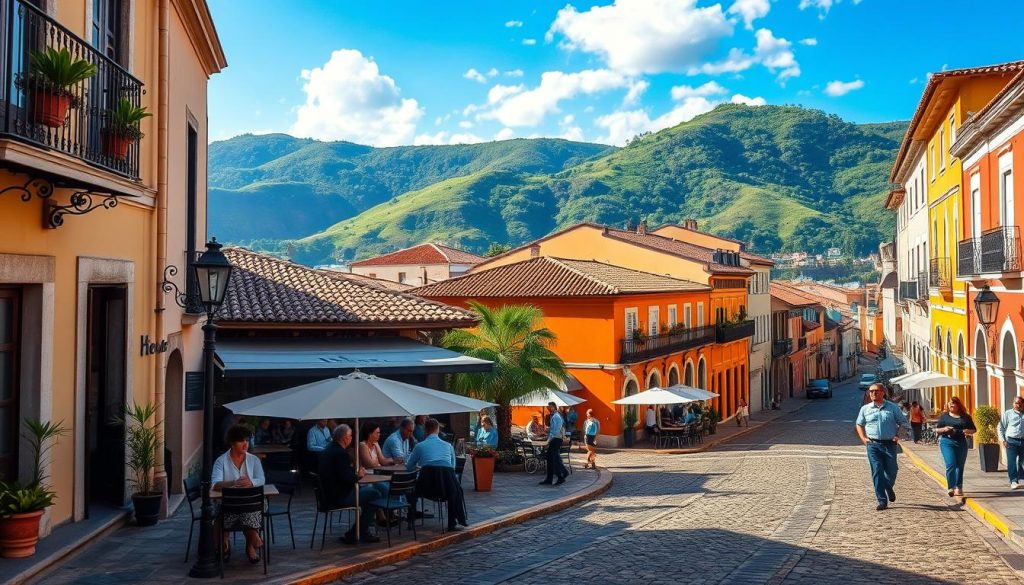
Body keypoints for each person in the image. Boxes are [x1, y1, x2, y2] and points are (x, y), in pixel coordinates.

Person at [211, 424, 266, 563]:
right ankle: (252, 540)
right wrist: (234, 482)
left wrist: (251, 482)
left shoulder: (254, 460)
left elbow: (262, 479)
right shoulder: (221, 461)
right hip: (229, 507)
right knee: (241, 512)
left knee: (249, 509)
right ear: (232, 442)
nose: (245, 444)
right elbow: (215, 485)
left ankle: (227, 544)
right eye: (241, 440)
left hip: (251, 505)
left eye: (247, 440)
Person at [318, 425, 381, 544]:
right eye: (351, 436)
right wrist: (359, 474)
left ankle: (359, 531)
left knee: (368, 492)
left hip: (327, 496)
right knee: (375, 494)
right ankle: (358, 533)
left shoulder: (328, 450)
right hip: (339, 497)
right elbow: (349, 479)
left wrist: (353, 473)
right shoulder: (340, 454)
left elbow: (341, 473)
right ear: (344, 438)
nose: (352, 438)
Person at [405, 418, 467, 531]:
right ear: (438, 430)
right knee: (455, 488)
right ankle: (452, 523)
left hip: (425, 487)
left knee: (411, 491)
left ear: (425, 430)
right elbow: (452, 469)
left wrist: (422, 467)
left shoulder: (419, 446)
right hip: (447, 488)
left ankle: (410, 520)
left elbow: (409, 467)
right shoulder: (448, 446)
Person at [855, 383, 908, 511]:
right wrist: (863, 439)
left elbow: (903, 423)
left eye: (876, 391)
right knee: (877, 471)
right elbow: (859, 424)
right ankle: (882, 500)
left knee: (892, 470)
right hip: (873, 444)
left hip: (890, 444)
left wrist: (897, 435)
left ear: (883, 392)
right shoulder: (865, 409)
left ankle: (888, 487)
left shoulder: (893, 408)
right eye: (871, 391)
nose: (873, 393)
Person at [936, 396, 976, 497]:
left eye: (953, 403)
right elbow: (937, 429)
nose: (951, 404)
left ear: (958, 405)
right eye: (950, 403)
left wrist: (966, 431)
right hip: (947, 441)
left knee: (960, 465)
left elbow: (973, 429)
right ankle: (951, 487)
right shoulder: (944, 416)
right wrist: (944, 429)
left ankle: (959, 487)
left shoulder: (965, 417)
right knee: (950, 464)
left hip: (961, 442)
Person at [540, 401, 569, 486]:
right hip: (555, 439)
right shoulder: (555, 416)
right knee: (551, 459)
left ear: (553, 407)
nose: (548, 409)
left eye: (549, 407)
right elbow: (554, 429)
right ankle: (551, 478)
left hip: (556, 439)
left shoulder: (556, 417)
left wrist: (548, 441)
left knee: (552, 458)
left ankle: (559, 477)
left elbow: (555, 431)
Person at [998, 396, 1024, 489]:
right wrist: (1003, 440)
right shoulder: (1008, 414)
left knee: (1022, 461)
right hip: (1011, 441)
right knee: (1012, 461)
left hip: (1023, 440)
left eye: (1020, 403)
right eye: (1016, 403)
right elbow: (1001, 428)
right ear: (1013, 403)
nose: (1018, 405)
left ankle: (1022, 477)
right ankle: (1013, 480)